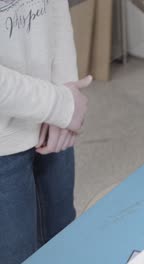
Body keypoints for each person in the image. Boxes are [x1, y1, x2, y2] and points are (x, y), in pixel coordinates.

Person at [0, 1, 92, 263]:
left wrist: (65, 98)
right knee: (17, 254)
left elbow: (56, 12)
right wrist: (60, 104)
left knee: (63, 236)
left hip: (52, 118)